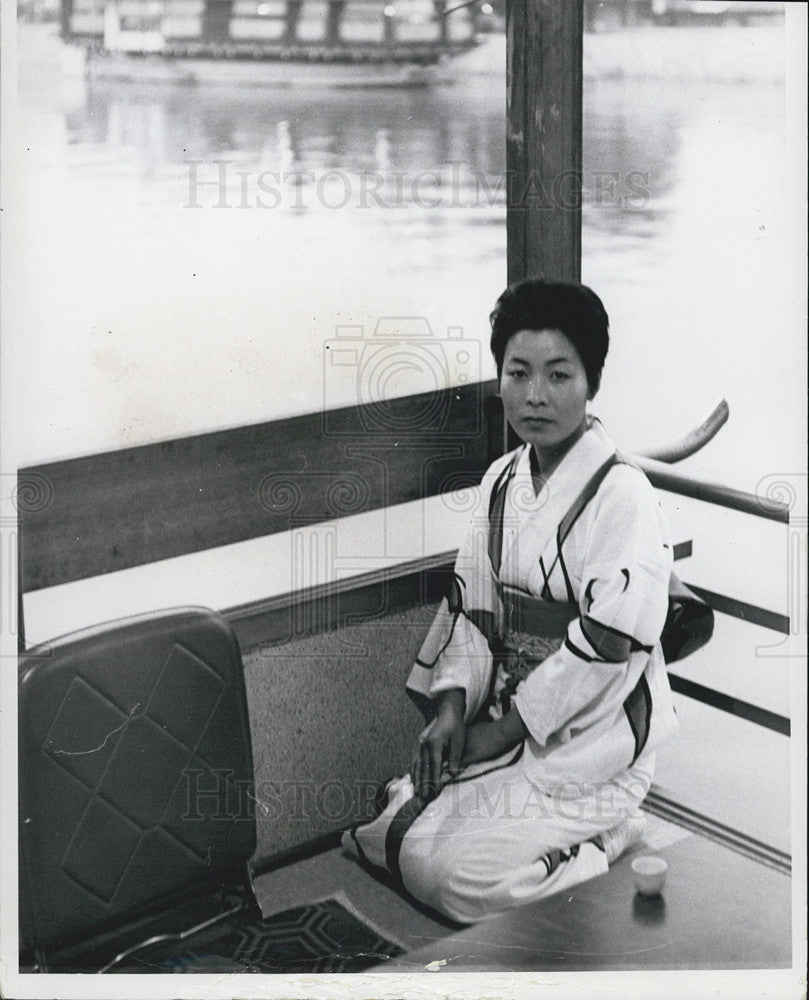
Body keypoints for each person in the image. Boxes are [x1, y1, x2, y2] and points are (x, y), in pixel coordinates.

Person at [343, 279, 678, 924]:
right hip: (504, 720)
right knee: (391, 837)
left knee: (451, 877)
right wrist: (450, 712)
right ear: (499, 379)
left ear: (593, 382)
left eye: (559, 374)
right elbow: (471, 614)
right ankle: (463, 804)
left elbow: (604, 649)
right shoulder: (501, 481)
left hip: (594, 746)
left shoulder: (624, 498)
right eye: (517, 373)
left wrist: (494, 735)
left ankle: (609, 840)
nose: (535, 396)